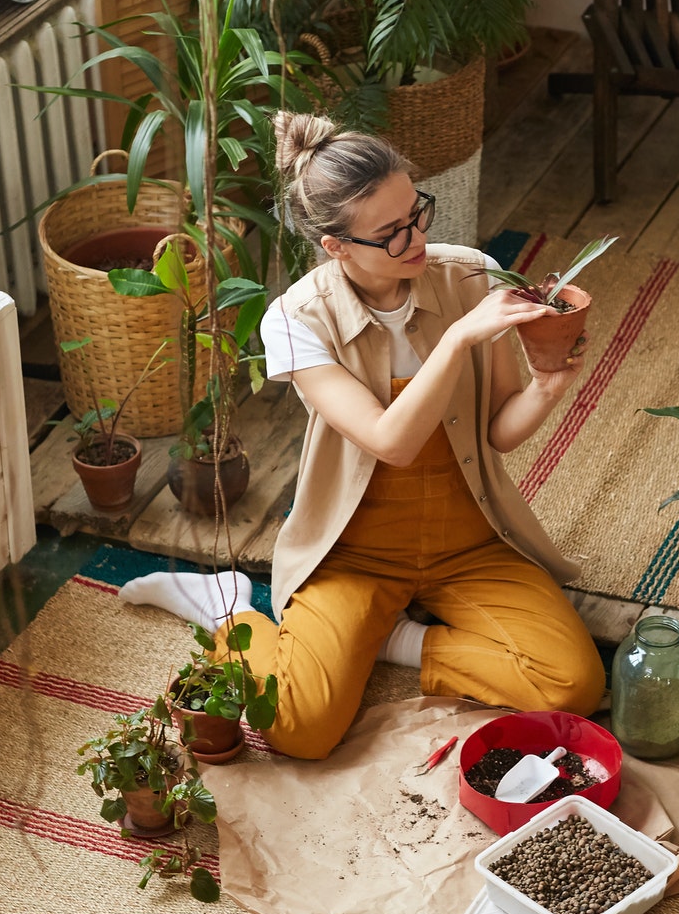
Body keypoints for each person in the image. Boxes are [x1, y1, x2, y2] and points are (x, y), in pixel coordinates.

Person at [217, 112, 605, 759]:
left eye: (417, 212)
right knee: (301, 730)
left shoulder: (471, 275)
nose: (417, 238)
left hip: (469, 540)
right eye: (390, 233)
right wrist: (458, 337)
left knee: (575, 684)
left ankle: (403, 641)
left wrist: (545, 385)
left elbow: (498, 434)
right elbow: (389, 441)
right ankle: (231, 615)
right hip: (354, 551)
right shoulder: (295, 320)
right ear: (335, 245)